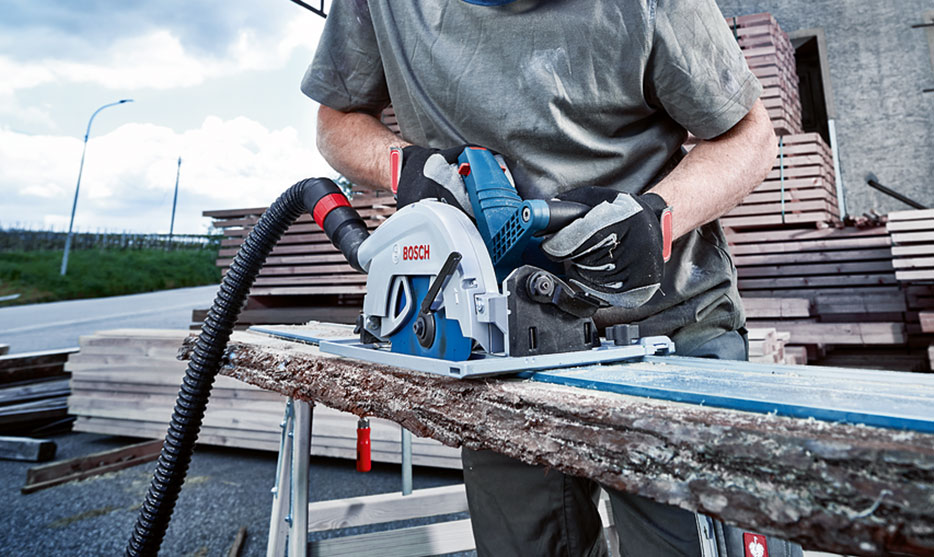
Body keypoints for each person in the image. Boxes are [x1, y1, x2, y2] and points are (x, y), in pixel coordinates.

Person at [300, 1, 802, 555]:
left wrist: (658, 219)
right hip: (496, 344)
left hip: (664, 325)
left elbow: (750, 135)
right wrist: (404, 165)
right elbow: (335, 120)